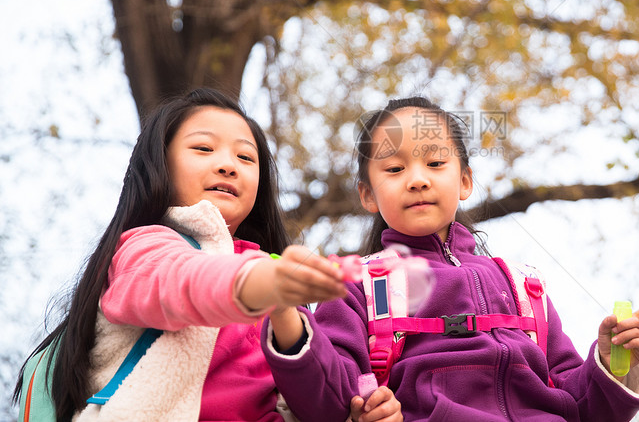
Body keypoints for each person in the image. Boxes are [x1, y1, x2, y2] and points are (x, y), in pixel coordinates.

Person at [262, 96, 639, 421]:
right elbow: (329, 398)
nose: (418, 179)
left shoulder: (523, 287)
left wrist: (610, 364)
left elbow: (581, 406)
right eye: (396, 168)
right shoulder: (355, 286)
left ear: (465, 180)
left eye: (435, 163)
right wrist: (289, 320)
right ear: (368, 195)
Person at [14, 88, 398, 421]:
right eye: (203, 148)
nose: (228, 165)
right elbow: (182, 283)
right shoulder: (144, 248)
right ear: (159, 165)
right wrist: (257, 283)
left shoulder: (276, 276)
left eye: (246, 159)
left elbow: (322, 407)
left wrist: (359, 410)